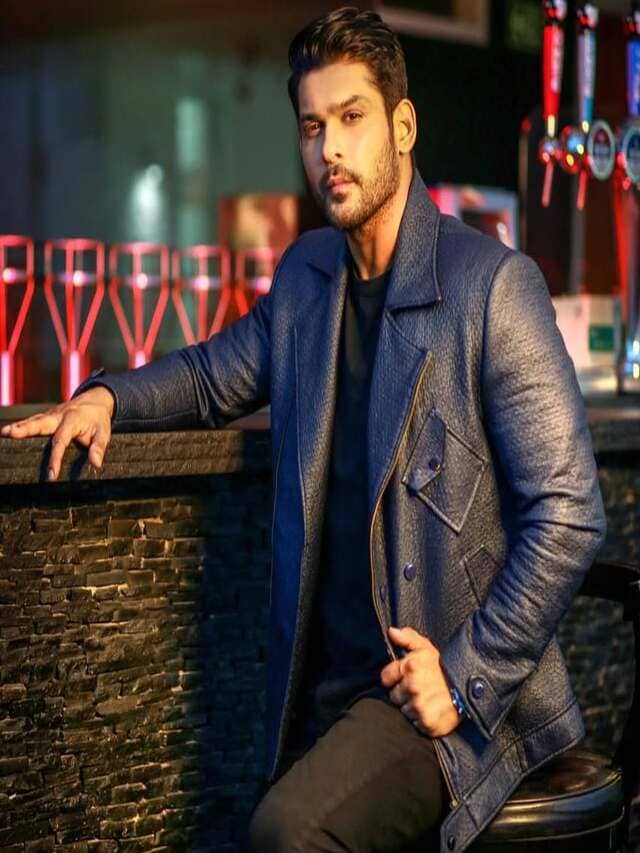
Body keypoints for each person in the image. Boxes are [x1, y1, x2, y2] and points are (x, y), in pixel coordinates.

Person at [1, 7, 606, 852]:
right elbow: (211, 377)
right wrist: (106, 398)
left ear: (403, 127)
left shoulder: (492, 286)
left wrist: (464, 676)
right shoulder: (307, 278)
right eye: (313, 126)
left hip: (436, 694)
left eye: (352, 117)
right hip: (325, 684)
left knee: (285, 832)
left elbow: (570, 512)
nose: (330, 149)